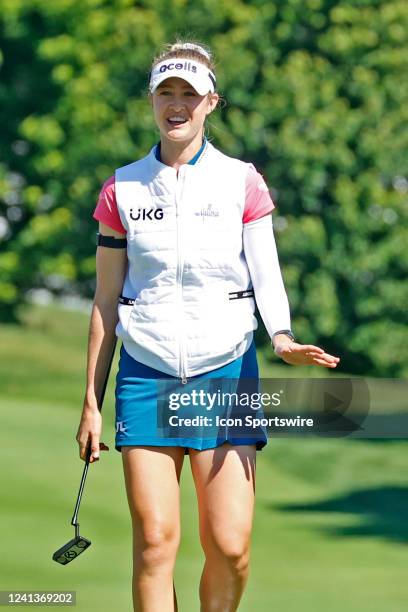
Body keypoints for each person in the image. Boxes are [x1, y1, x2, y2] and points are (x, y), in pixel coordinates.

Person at [76, 40, 340, 612]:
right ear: (152, 100)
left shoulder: (241, 181)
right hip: (146, 374)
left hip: (227, 374)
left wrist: (282, 336)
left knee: (230, 546)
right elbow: (104, 300)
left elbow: (266, 275)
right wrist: (92, 404)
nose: (176, 105)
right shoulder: (121, 189)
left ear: (210, 102)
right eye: (165, 93)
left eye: (188, 95)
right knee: (153, 544)